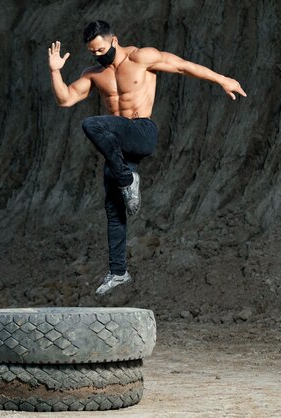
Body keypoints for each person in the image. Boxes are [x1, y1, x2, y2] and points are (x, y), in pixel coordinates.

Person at [48, 20, 246, 296]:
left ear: (114, 40)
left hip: (141, 131)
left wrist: (222, 79)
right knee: (114, 207)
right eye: (93, 52)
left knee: (92, 124)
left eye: (101, 49)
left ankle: (129, 179)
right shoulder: (94, 74)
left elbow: (182, 66)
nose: (98, 55)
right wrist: (55, 72)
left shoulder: (141, 57)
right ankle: (118, 272)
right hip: (118, 146)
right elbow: (65, 100)